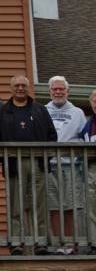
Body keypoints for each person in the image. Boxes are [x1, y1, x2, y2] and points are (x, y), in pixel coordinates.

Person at [0, 74, 57, 255]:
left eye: (23, 85)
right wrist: (3, 161)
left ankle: (41, 242)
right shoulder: (2, 111)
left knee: (40, 204)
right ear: (10, 88)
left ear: (28, 88)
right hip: (14, 164)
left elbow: (52, 136)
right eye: (16, 85)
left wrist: (46, 158)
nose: (20, 88)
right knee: (15, 205)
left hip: (38, 163)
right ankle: (17, 243)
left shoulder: (39, 110)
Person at [45, 75, 85, 254]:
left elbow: (84, 138)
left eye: (61, 89)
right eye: (55, 89)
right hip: (49, 166)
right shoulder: (42, 110)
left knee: (70, 206)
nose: (58, 92)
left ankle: (70, 245)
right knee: (53, 207)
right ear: (50, 91)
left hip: (71, 166)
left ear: (67, 91)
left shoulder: (77, 112)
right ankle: (58, 245)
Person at [79, 89, 96, 254]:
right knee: (92, 207)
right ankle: (95, 243)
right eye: (95, 101)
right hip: (91, 169)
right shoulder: (88, 124)